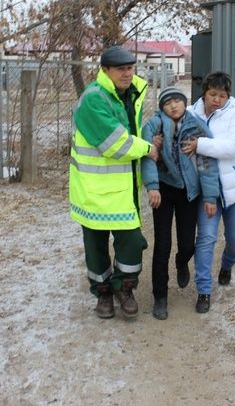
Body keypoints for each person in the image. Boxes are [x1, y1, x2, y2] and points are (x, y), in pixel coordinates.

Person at [69, 45, 159, 319]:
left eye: (130, 68)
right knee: (95, 248)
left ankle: (125, 288)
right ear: (105, 70)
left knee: (132, 243)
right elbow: (114, 142)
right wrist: (147, 148)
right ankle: (104, 294)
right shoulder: (94, 99)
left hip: (122, 190)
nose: (127, 74)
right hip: (93, 190)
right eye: (121, 69)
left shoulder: (130, 93)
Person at [141, 86, 220, 320]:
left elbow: (206, 162)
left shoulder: (196, 125)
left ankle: (182, 261)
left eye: (178, 101)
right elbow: (148, 157)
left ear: (185, 103)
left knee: (187, 244)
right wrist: (153, 186)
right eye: (168, 103)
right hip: (164, 191)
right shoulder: (153, 125)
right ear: (162, 107)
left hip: (189, 191)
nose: (173, 105)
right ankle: (160, 297)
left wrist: (209, 197)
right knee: (162, 245)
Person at [182, 71, 235, 314]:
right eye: (212, 94)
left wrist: (201, 145)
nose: (216, 99)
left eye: (222, 95)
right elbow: (180, 144)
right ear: (203, 93)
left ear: (228, 97)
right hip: (207, 191)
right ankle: (204, 289)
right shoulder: (190, 115)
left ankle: (227, 265)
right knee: (206, 239)